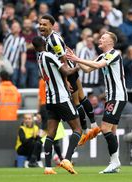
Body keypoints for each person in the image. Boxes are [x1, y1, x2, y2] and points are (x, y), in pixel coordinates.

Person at [66, 31, 128, 173]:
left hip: (117, 96)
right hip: (112, 96)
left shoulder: (114, 53)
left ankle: (114, 161)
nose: (100, 39)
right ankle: (114, 163)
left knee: (105, 128)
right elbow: (88, 69)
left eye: (103, 38)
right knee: (112, 130)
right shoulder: (102, 55)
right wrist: (75, 59)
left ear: (110, 43)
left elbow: (99, 65)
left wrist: (77, 58)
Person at [39, 14, 100, 145]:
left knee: (76, 102)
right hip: (71, 69)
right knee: (82, 97)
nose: (41, 26)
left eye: (44, 24)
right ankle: (93, 125)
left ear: (51, 25)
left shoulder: (52, 41)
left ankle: (85, 130)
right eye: (40, 24)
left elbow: (62, 59)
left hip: (68, 72)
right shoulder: (54, 36)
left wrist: (65, 79)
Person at [32, 36, 82, 175]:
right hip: (62, 98)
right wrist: (79, 65)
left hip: (50, 100)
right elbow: (66, 71)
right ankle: (67, 159)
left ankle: (48, 167)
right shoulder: (48, 55)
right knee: (78, 129)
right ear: (44, 44)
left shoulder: (39, 58)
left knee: (50, 134)